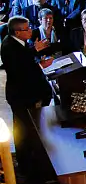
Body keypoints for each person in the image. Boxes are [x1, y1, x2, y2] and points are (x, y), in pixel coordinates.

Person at [1, 16, 54, 171]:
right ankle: (25, 165)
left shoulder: (18, 42)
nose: (31, 31)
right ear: (17, 32)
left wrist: (37, 58)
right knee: (23, 131)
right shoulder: (8, 46)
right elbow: (20, 70)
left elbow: (25, 60)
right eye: (27, 29)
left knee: (30, 128)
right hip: (21, 96)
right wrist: (39, 61)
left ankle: (32, 158)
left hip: (27, 94)